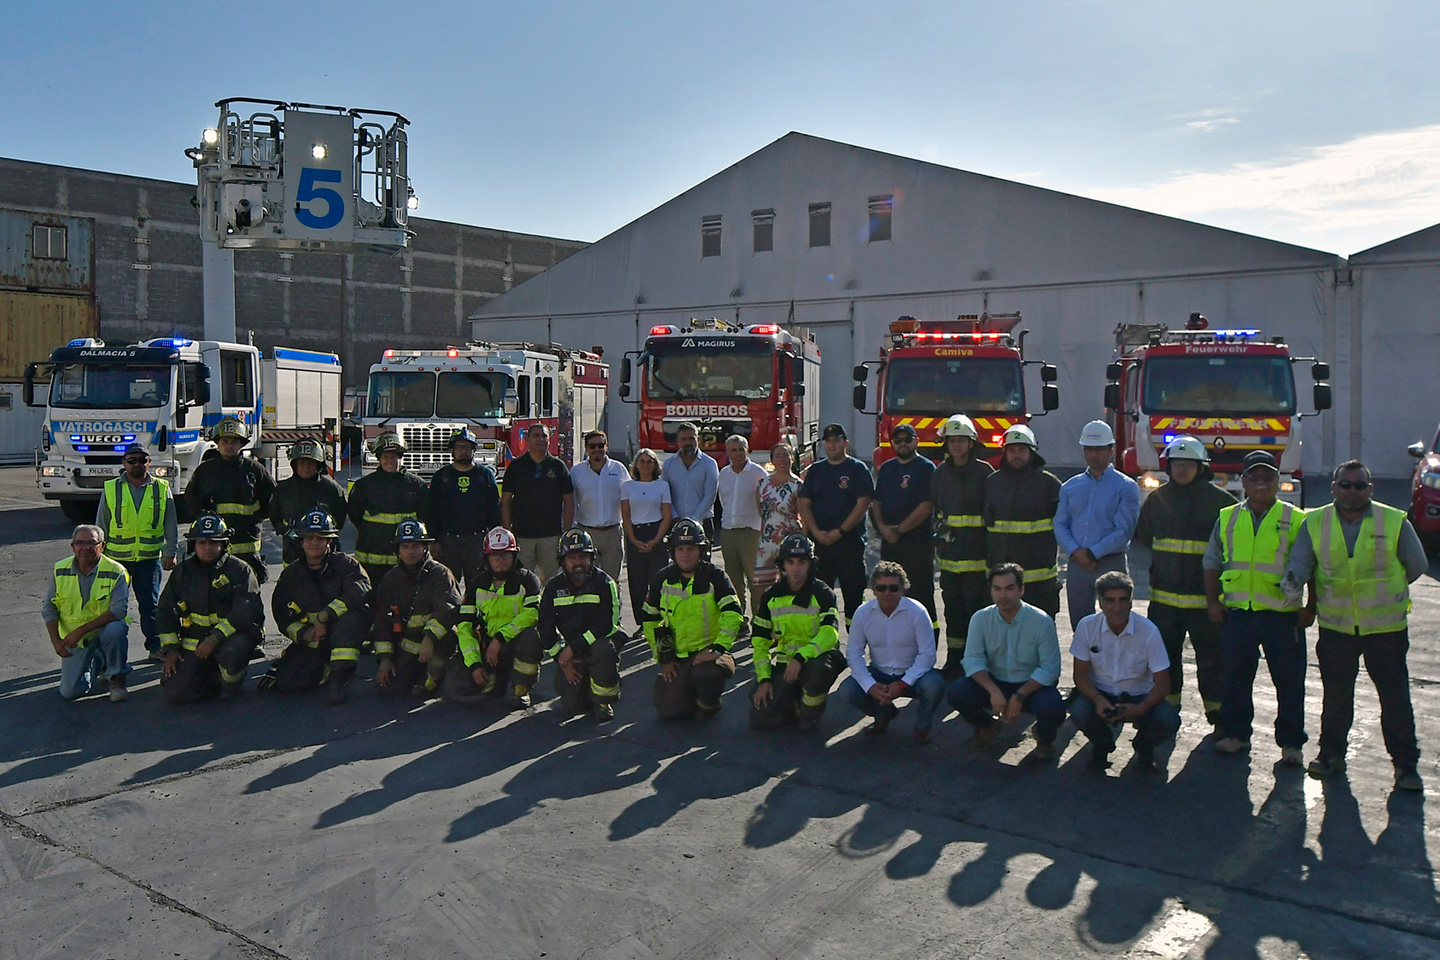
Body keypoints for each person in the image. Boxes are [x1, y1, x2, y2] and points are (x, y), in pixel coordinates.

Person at [1284, 460, 1428, 790]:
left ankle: (1406, 768)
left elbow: (1416, 565)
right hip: (1337, 630)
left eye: (1359, 485)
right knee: (1336, 698)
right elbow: (1299, 568)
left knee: (1394, 700)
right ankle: (1330, 756)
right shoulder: (1315, 522)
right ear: (1333, 487)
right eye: (1345, 485)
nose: (1352, 491)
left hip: (1385, 631)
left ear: (1370, 489)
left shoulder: (1393, 521)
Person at [1203, 450, 1308, 764]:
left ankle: (1291, 744)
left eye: (1268, 476)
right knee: (1235, 677)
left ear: (1278, 480)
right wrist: (1212, 602)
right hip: (1239, 614)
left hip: (1283, 615)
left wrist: (1310, 606)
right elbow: (1211, 562)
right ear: (1243, 481)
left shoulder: (1297, 519)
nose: (1261, 482)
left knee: (1289, 681)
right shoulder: (1227, 517)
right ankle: (1237, 735)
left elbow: (1313, 565)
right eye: (1254, 476)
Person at [1134, 435, 1234, 724]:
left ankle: (1217, 710)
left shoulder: (1222, 503)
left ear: (1201, 467)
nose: (1181, 469)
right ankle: (1167, 705)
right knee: (1164, 658)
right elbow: (1145, 536)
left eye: (1188, 463)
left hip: (1205, 602)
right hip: (1164, 599)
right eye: (1176, 463)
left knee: (1213, 659)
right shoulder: (1157, 499)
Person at [945, 563, 1065, 759]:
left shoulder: (1041, 621)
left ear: (1021, 590)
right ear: (991, 590)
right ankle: (987, 726)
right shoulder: (980, 619)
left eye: (1009, 588)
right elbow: (972, 660)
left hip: (1030, 686)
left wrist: (1019, 695)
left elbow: (1050, 668)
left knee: (1053, 708)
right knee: (957, 692)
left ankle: (1044, 738)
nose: (1003, 595)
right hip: (995, 682)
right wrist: (993, 691)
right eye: (997, 589)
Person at [1069, 571, 1180, 769]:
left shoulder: (1149, 632)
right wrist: (1097, 699)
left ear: (1131, 601)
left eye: (1123, 600)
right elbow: (1080, 675)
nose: (1117, 607)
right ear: (1099, 601)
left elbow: (1163, 684)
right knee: (1078, 710)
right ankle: (1102, 745)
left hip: (1139, 696)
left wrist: (1142, 708)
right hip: (1101, 694)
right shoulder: (1087, 626)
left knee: (1169, 720)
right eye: (1110, 600)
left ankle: (1144, 746)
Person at [264, 510, 372, 703]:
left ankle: (340, 676)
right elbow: (282, 614)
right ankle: (323, 667)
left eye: (320, 538)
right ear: (301, 541)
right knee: (288, 685)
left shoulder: (345, 564)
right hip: (313, 638)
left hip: (341, 633)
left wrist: (325, 616)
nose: (314, 542)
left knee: (355, 615)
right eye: (309, 538)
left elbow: (361, 590)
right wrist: (304, 634)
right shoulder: (291, 575)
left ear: (329, 542)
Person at [157, 513, 264, 703]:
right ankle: (210, 675)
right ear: (193, 545)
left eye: (213, 542)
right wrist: (171, 650)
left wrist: (214, 639)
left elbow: (246, 611)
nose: (207, 548)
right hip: (196, 641)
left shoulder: (239, 570)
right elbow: (165, 611)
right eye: (202, 542)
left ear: (223, 545)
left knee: (231, 654)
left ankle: (231, 683)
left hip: (233, 637)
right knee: (176, 693)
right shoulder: (183, 572)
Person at [642, 518, 743, 720]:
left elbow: (733, 614)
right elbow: (649, 620)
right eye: (680, 549)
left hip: (709, 654)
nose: (685, 554)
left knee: (707, 678)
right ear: (672, 551)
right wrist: (664, 658)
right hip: (677, 657)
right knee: (669, 712)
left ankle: (710, 704)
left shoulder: (715, 577)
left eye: (691, 548)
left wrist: (717, 649)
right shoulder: (662, 579)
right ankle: (687, 695)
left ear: (702, 551)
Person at [838, 561, 947, 744]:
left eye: (893, 588)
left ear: (903, 589)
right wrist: (870, 685)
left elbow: (928, 655)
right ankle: (883, 714)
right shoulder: (862, 613)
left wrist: (903, 683)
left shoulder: (918, 612)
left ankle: (922, 726)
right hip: (879, 673)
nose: (887, 593)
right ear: (873, 590)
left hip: (914, 674)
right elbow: (854, 654)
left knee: (934, 685)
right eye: (881, 588)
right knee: (848, 690)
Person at [750, 533, 847, 731]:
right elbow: (760, 641)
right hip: (787, 667)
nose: (796, 568)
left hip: (817, 659)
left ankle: (810, 713)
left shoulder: (823, 593)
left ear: (810, 564)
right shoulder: (771, 597)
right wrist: (764, 679)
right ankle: (794, 703)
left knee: (817, 673)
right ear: (782, 565)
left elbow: (830, 633)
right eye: (790, 562)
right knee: (761, 718)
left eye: (802, 561)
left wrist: (801, 657)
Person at [1055, 420, 1140, 629]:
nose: (1094, 454)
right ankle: (1085, 662)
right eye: (1089, 449)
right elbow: (1060, 524)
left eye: (1100, 449)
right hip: (1077, 563)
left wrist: (1092, 553)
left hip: (1111, 561)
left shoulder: (1126, 486)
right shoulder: (1070, 487)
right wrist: (1076, 552)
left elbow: (1124, 530)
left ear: (1111, 451)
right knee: (1081, 624)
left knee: (1116, 621)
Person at [96, 442, 177, 659]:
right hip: (116, 561)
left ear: (149, 463)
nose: (137, 464)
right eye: (132, 460)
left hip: (149, 559)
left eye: (142, 460)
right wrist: (98, 557)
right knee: (111, 607)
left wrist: (171, 552)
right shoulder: (111, 488)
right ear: (124, 463)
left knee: (150, 606)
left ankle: (155, 647)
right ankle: (107, 653)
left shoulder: (161, 488)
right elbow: (101, 524)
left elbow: (170, 523)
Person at [931, 415, 994, 680]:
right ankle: (954, 661)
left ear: (971, 444)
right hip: (949, 560)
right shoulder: (940, 473)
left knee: (976, 612)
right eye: (952, 440)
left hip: (977, 560)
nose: (956, 445)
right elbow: (935, 510)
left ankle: (977, 663)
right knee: (953, 612)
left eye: (961, 440)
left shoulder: (985, 472)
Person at [454, 526, 544, 708]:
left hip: (514, 644)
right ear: (487, 558)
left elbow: (533, 614)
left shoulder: (528, 581)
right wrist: (474, 664)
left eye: (505, 555)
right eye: (495, 555)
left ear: (514, 556)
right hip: (488, 649)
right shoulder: (476, 585)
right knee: (455, 688)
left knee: (533, 635)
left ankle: (521, 688)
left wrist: (500, 638)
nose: (500, 560)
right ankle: (495, 679)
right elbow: (464, 626)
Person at [372, 518, 463, 699]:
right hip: (408, 645)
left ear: (425, 548)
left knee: (449, 635)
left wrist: (429, 638)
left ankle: (434, 676)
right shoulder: (391, 579)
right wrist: (385, 659)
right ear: (398, 550)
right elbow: (381, 620)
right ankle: (418, 673)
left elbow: (448, 608)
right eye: (405, 547)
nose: (410, 552)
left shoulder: (440, 574)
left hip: (435, 643)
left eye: (415, 546)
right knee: (389, 689)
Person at [538, 529, 623, 721]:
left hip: (598, 642)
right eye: (572, 557)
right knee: (573, 705)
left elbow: (607, 625)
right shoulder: (552, 588)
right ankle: (586, 683)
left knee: (603, 648)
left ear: (592, 558)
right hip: (571, 652)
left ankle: (603, 701)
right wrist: (561, 658)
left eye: (583, 556)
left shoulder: (605, 583)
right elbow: (544, 628)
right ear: (562, 561)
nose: (578, 563)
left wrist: (573, 648)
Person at [797, 423, 874, 627]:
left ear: (845, 443)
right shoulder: (816, 470)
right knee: (820, 597)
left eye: (836, 441)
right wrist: (814, 531)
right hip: (821, 544)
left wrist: (840, 531)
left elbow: (863, 503)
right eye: (828, 441)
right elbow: (804, 502)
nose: (832, 445)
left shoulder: (857, 469)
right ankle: (826, 645)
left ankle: (855, 646)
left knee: (854, 596)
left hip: (849, 544)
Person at [44, 524, 131, 701]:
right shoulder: (60, 569)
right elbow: (49, 608)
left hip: (100, 632)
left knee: (116, 629)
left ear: (102, 545)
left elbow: (118, 611)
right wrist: (56, 641)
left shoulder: (116, 571)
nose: (86, 548)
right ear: (72, 546)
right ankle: (99, 661)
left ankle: (116, 677)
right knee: (69, 692)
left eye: (92, 543)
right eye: (80, 543)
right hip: (76, 641)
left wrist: (81, 631)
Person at [984, 424, 1062, 618]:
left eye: (1022, 450)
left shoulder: (1049, 484)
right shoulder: (992, 483)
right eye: (1011, 450)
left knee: (1042, 634)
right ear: (1005, 452)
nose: (1016, 455)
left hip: (1040, 580)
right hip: (1003, 581)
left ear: (1032, 452)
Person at [184, 416, 275, 583]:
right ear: (217, 443)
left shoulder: (255, 470)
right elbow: (191, 498)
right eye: (225, 441)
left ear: (241, 444)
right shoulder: (205, 471)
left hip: (247, 540)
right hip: (214, 541)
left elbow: (272, 499)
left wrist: (257, 518)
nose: (229, 445)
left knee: (249, 586)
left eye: (234, 441)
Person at [870, 422, 937, 634]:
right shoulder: (888, 468)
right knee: (890, 595)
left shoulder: (926, 468)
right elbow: (877, 502)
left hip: (917, 544)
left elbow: (926, 505)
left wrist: (898, 530)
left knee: (921, 596)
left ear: (916, 441)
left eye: (907, 440)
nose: (902, 444)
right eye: (897, 441)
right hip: (890, 545)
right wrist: (883, 528)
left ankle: (928, 649)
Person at [348, 432, 430, 589]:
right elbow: (354, 513)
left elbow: (425, 516)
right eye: (385, 457)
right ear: (379, 459)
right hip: (369, 557)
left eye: (393, 457)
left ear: (400, 457)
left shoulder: (416, 485)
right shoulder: (365, 485)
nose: (389, 461)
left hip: (403, 559)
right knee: (368, 597)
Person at [425, 427, 501, 591]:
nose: (463, 452)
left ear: (474, 450)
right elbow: (432, 511)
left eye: (467, 448)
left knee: (479, 586)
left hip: (477, 541)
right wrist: (434, 540)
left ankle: (475, 615)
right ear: (452, 450)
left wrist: (494, 539)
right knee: (446, 586)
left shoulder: (485, 475)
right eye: (459, 447)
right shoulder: (441, 476)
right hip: (447, 541)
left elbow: (495, 509)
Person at [502, 422, 574, 581]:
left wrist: (566, 531)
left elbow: (569, 501)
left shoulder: (558, 466)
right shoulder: (516, 466)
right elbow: (506, 500)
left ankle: (547, 607)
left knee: (551, 579)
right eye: (536, 435)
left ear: (550, 439)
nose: (540, 439)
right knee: (522, 579)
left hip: (551, 535)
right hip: (522, 535)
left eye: (544, 436)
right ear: (527, 438)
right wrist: (508, 532)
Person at [269, 439, 347, 568]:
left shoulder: (332, 490)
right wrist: (286, 531)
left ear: (318, 465)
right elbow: (274, 515)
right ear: (294, 465)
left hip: (325, 555)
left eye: (310, 463)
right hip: (293, 552)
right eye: (301, 462)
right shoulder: (283, 489)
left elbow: (339, 519)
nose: (305, 466)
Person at [620, 448, 673, 637]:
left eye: (649, 461)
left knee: (658, 579)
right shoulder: (627, 486)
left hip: (656, 532)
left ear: (655, 465)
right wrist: (634, 540)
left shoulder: (662, 486)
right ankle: (642, 623)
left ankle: (660, 620)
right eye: (641, 461)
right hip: (635, 533)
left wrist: (656, 540)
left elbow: (666, 515)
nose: (645, 465)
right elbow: (625, 515)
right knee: (637, 581)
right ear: (636, 465)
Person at [716, 435, 768, 625]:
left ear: (748, 450)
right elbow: (724, 501)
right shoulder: (723, 473)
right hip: (729, 531)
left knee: (755, 580)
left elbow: (765, 502)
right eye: (733, 450)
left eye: (741, 449)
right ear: (727, 452)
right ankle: (738, 621)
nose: (737, 454)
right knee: (733, 581)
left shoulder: (759, 473)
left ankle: (759, 622)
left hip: (751, 531)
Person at [569, 429, 629, 581]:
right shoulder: (576, 472)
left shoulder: (619, 469)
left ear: (606, 446)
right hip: (586, 533)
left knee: (612, 581)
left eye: (600, 445)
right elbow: (570, 503)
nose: (597, 449)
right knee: (585, 579)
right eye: (592, 446)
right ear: (586, 449)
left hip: (613, 533)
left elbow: (630, 498)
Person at [753, 442, 804, 593]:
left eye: (785, 455)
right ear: (772, 460)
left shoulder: (798, 485)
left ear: (792, 458)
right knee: (762, 588)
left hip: (789, 541)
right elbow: (761, 511)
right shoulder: (762, 483)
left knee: (790, 586)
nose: (782, 459)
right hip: (767, 542)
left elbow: (804, 516)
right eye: (778, 456)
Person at [661, 422, 719, 539]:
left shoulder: (710, 464)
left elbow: (710, 496)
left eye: (691, 438)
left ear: (698, 439)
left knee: (703, 558)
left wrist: (694, 521)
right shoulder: (668, 464)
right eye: (684, 439)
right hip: (674, 523)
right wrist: (675, 517)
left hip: (703, 523)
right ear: (678, 441)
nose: (688, 442)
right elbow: (665, 495)